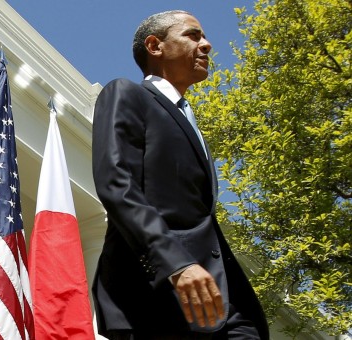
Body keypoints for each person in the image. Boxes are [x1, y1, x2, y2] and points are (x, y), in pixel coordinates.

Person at [91, 10, 269, 339]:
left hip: (226, 302)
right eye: (193, 35)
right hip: (156, 298)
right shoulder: (127, 94)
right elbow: (117, 184)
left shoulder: (187, 118)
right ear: (155, 46)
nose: (207, 45)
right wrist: (175, 263)